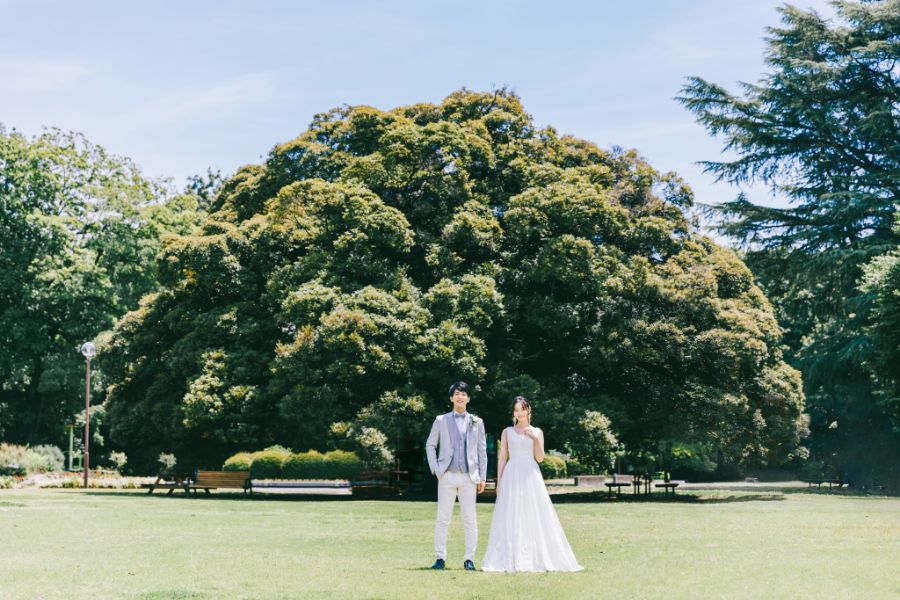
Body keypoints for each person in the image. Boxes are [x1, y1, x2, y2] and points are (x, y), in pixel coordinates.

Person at [481, 396, 583, 572]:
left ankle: (534, 556)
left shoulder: (537, 431)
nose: (519, 413)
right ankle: (510, 556)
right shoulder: (507, 432)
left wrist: (535, 438)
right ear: (513, 412)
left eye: (522, 409)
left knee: (533, 512)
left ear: (529, 410)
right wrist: (500, 481)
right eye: (516, 410)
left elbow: (540, 458)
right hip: (512, 473)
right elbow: (503, 457)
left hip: (530, 474)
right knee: (511, 513)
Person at [425, 381, 487, 571]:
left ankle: (469, 559)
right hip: (447, 476)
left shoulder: (477, 422)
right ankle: (439, 558)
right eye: (457, 394)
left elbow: (481, 452)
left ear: (468, 398)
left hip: (469, 477)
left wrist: (482, 477)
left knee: (470, 519)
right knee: (443, 518)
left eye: (464, 394)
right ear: (451, 398)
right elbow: (430, 445)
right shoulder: (440, 420)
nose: (460, 397)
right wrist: (436, 468)